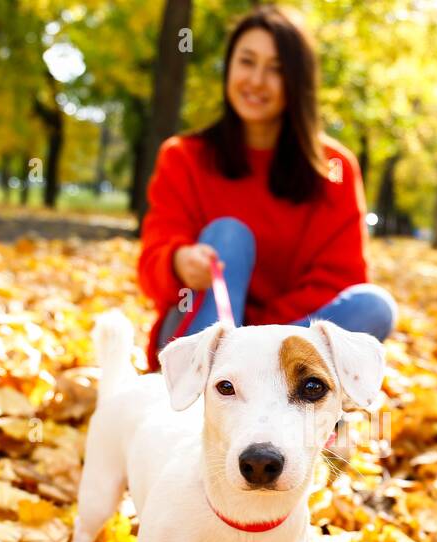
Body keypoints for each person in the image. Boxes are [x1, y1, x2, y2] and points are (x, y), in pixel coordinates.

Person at [136, 4, 396, 370]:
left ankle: (268, 385)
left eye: (276, 69)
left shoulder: (334, 169)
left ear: (297, 81)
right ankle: (200, 399)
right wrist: (178, 262)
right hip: (200, 343)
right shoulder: (183, 157)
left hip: (286, 346)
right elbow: (151, 264)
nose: (256, 80)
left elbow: (341, 279)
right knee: (228, 236)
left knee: (374, 307)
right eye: (247, 62)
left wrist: (259, 338)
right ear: (229, 67)